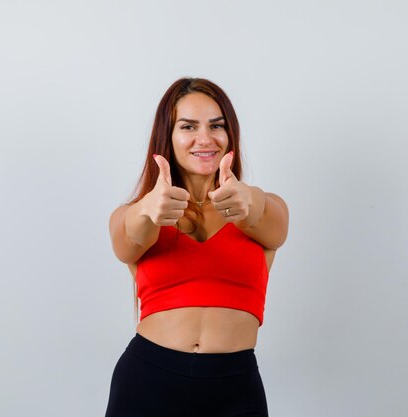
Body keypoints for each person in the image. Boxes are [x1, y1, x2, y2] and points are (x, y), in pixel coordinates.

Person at [104, 77, 289, 417]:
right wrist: (148, 209)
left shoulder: (263, 209)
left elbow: (269, 221)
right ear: (168, 137)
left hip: (235, 387)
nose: (205, 139)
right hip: (148, 379)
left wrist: (248, 200)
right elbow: (125, 243)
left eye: (216, 126)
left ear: (230, 134)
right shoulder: (138, 214)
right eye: (188, 126)